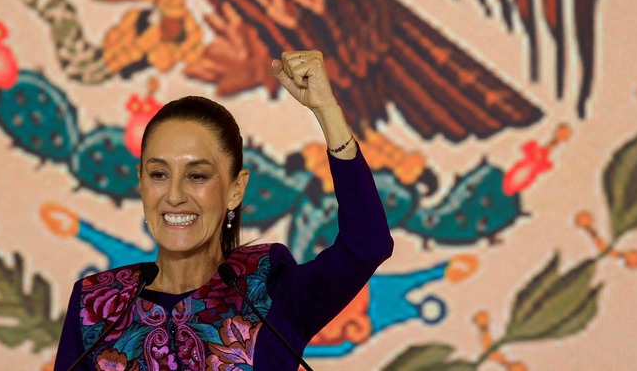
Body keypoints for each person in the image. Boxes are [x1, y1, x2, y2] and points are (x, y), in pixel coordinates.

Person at [52, 50, 394, 370]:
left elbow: (367, 245)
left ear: (235, 189)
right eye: (159, 175)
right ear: (141, 184)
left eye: (197, 176)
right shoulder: (96, 305)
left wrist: (327, 111)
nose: (174, 195)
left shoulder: (272, 292)